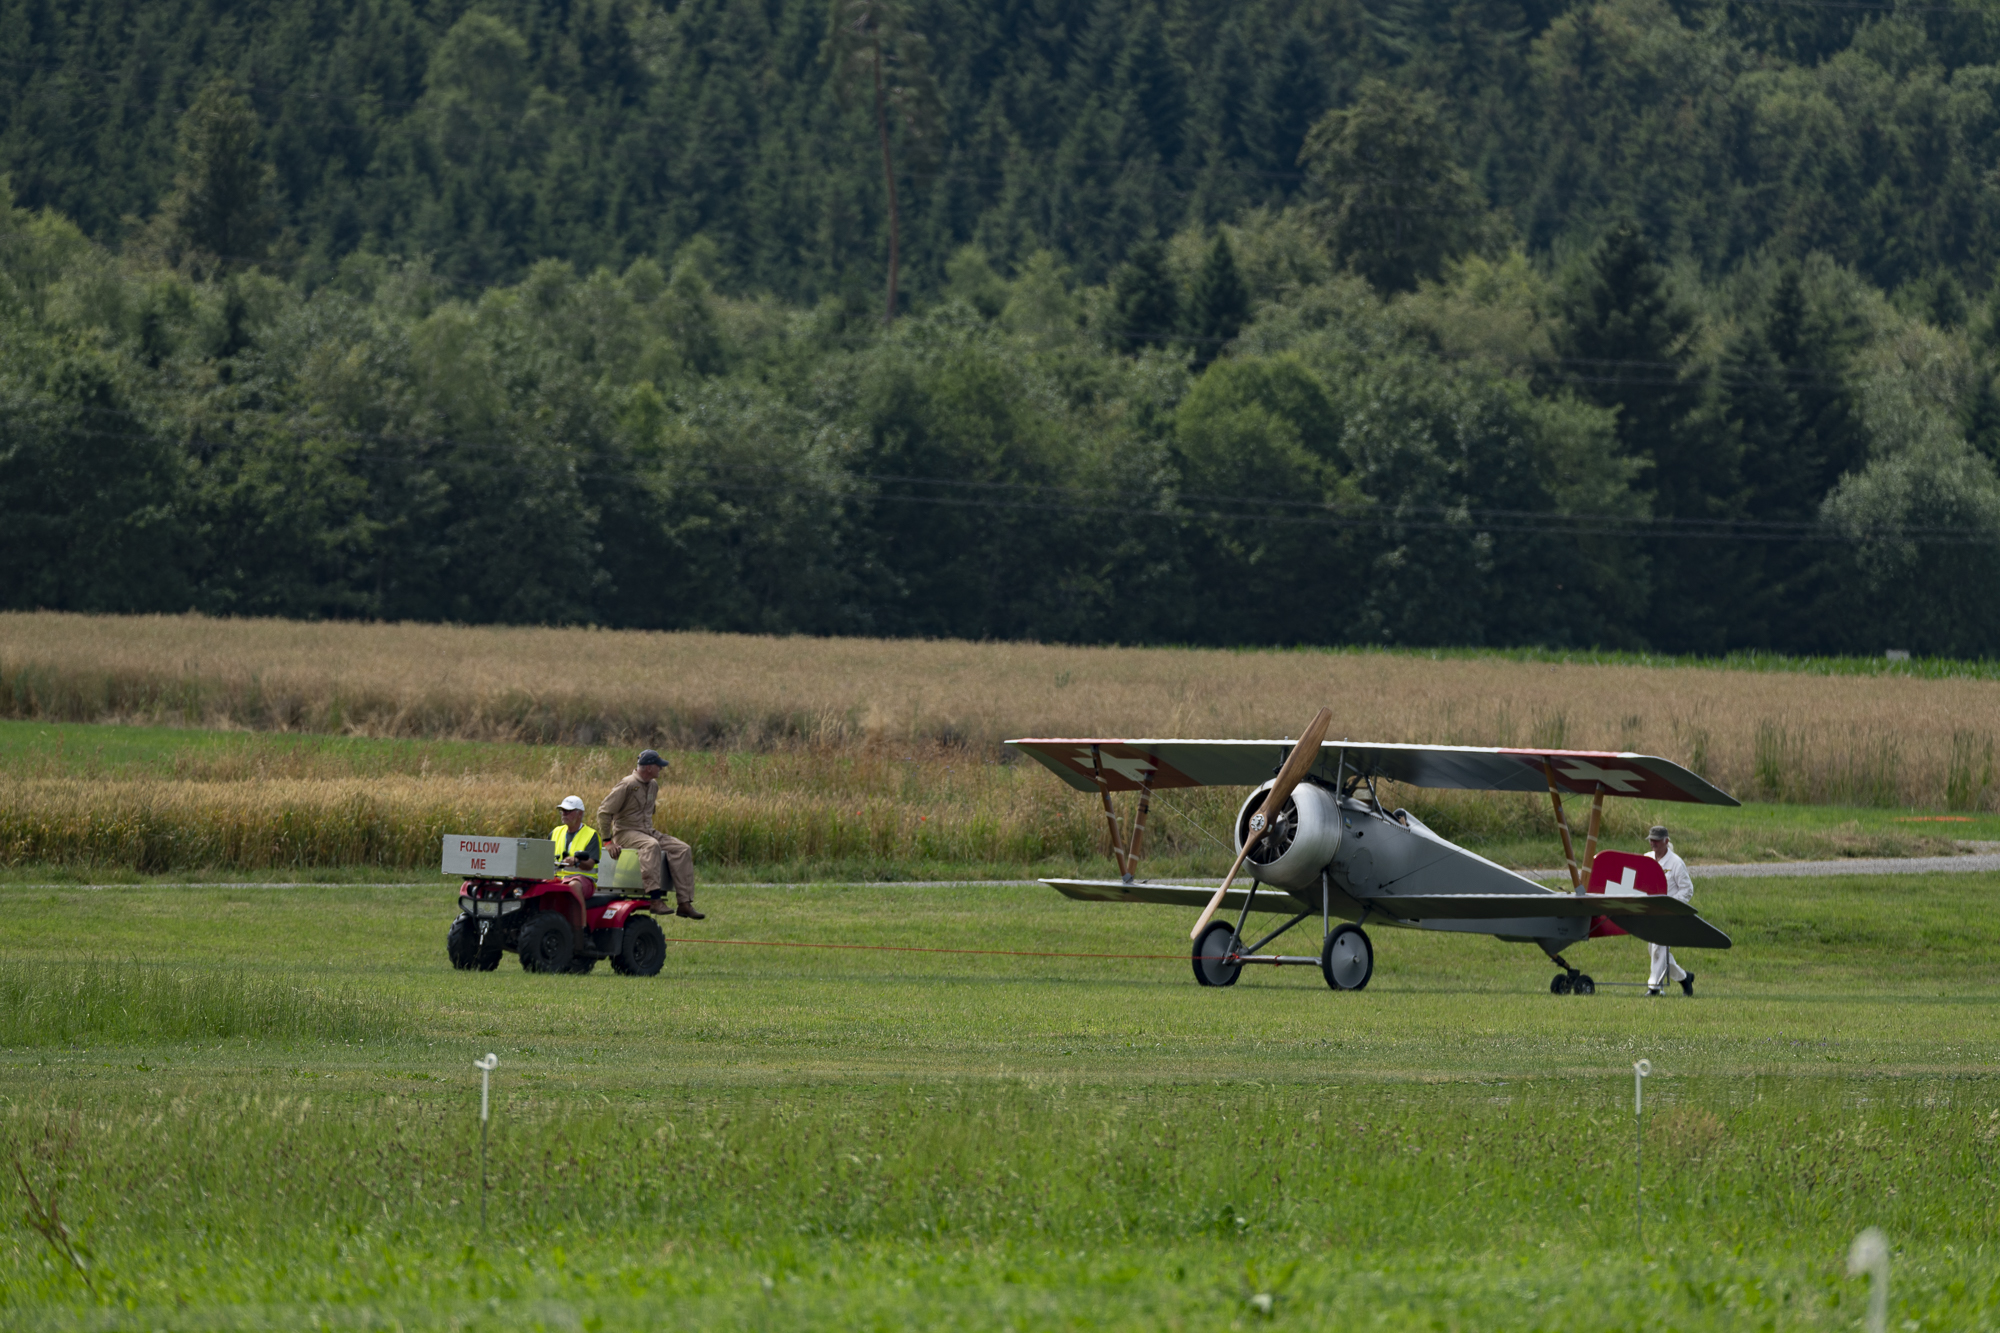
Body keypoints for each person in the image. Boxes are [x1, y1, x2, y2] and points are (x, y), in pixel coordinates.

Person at [600, 749, 704, 918]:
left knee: (682, 848)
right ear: (648, 768)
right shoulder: (627, 784)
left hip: (647, 831)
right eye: (658, 765)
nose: (661, 769)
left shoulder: (653, 785)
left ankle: (684, 903)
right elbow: (604, 812)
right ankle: (655, 900)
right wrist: (608, 842)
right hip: (626, 832)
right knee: (651, 845)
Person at [1644, 825, 1695, 997]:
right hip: (1650, 914)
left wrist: (1670, 904)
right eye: (1651, 839)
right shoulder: (1646, 859)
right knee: (1655, 951)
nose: (1653, 843)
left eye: (1657, 840)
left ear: (1666, 841)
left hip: (1669, 914)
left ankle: (1654, 988)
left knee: (1659, 949)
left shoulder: (1676, 863)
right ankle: (1684, 978)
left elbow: (1687, 890)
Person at [549, 795, 601, 902]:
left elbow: (590, 864)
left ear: (580, 814)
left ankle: (578, 918)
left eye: (568, 811)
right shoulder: (555, 832)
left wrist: (577, 861)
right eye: (562, 810)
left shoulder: (591, 835)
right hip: (558, 878)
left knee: (573, 886)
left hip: (583, 879)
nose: (564, 813)